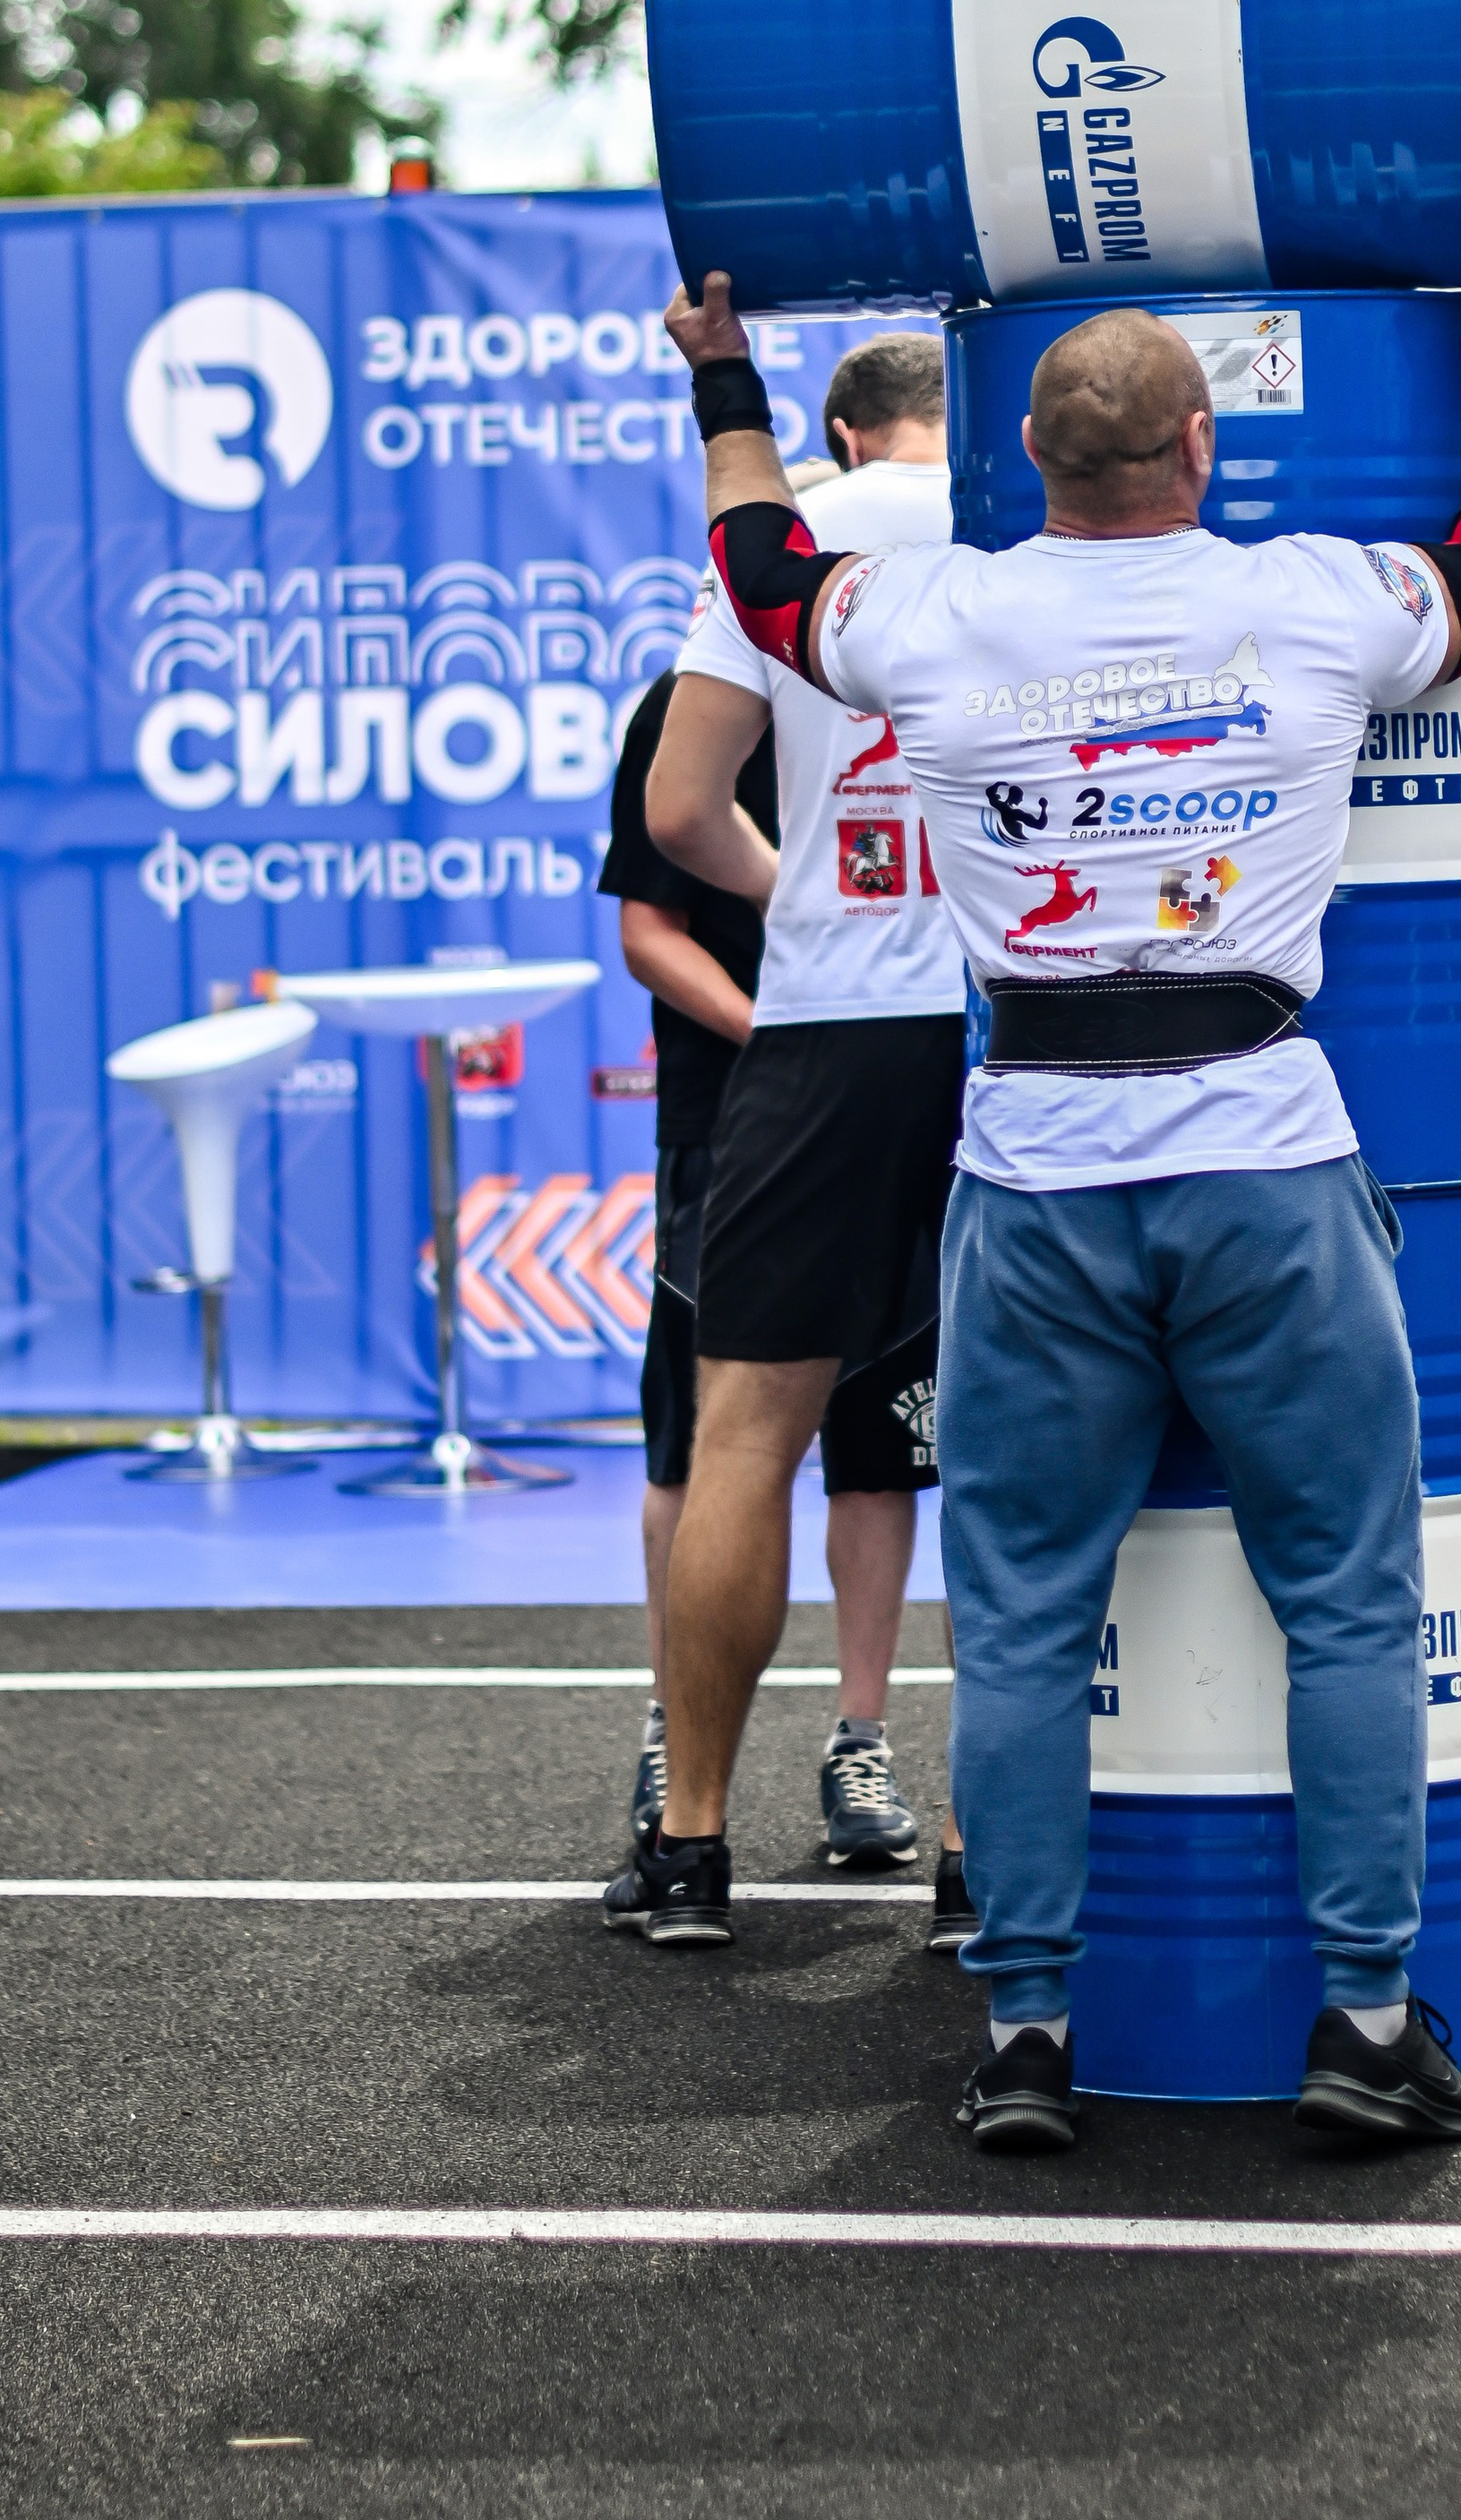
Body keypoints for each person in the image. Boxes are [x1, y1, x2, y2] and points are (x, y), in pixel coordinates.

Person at [671, 241, 1461, 2151]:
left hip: (1030, 1166)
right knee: (1350, 1606)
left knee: (1020, 1620)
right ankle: (1361, 2017)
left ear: (1022, 454)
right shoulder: (1311, 597)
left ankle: (1025, 2029)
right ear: (1200, 445)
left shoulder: (932, 613)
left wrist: (723, 376)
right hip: (1267, 1156)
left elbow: (762, 572)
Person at [620, 332, 974, 1948]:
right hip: (1012, 1020)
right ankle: (995, 1844)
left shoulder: (795, 538)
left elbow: (686, 809)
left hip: (830, 1025)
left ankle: (691, 1844)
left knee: (740, 1440)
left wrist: (814, 885)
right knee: (1030, 1444)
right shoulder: (1032, 513)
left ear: (844, 425)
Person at [594, 668, 775, 1853]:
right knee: (703, 1442)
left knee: (900, 1457)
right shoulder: (694, 700)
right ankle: (682, 1762)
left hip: (912, 1107)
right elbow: (648, 928)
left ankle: (869, 1741)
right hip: (728, 1119)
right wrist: (782, 1036)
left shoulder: (923, 672)